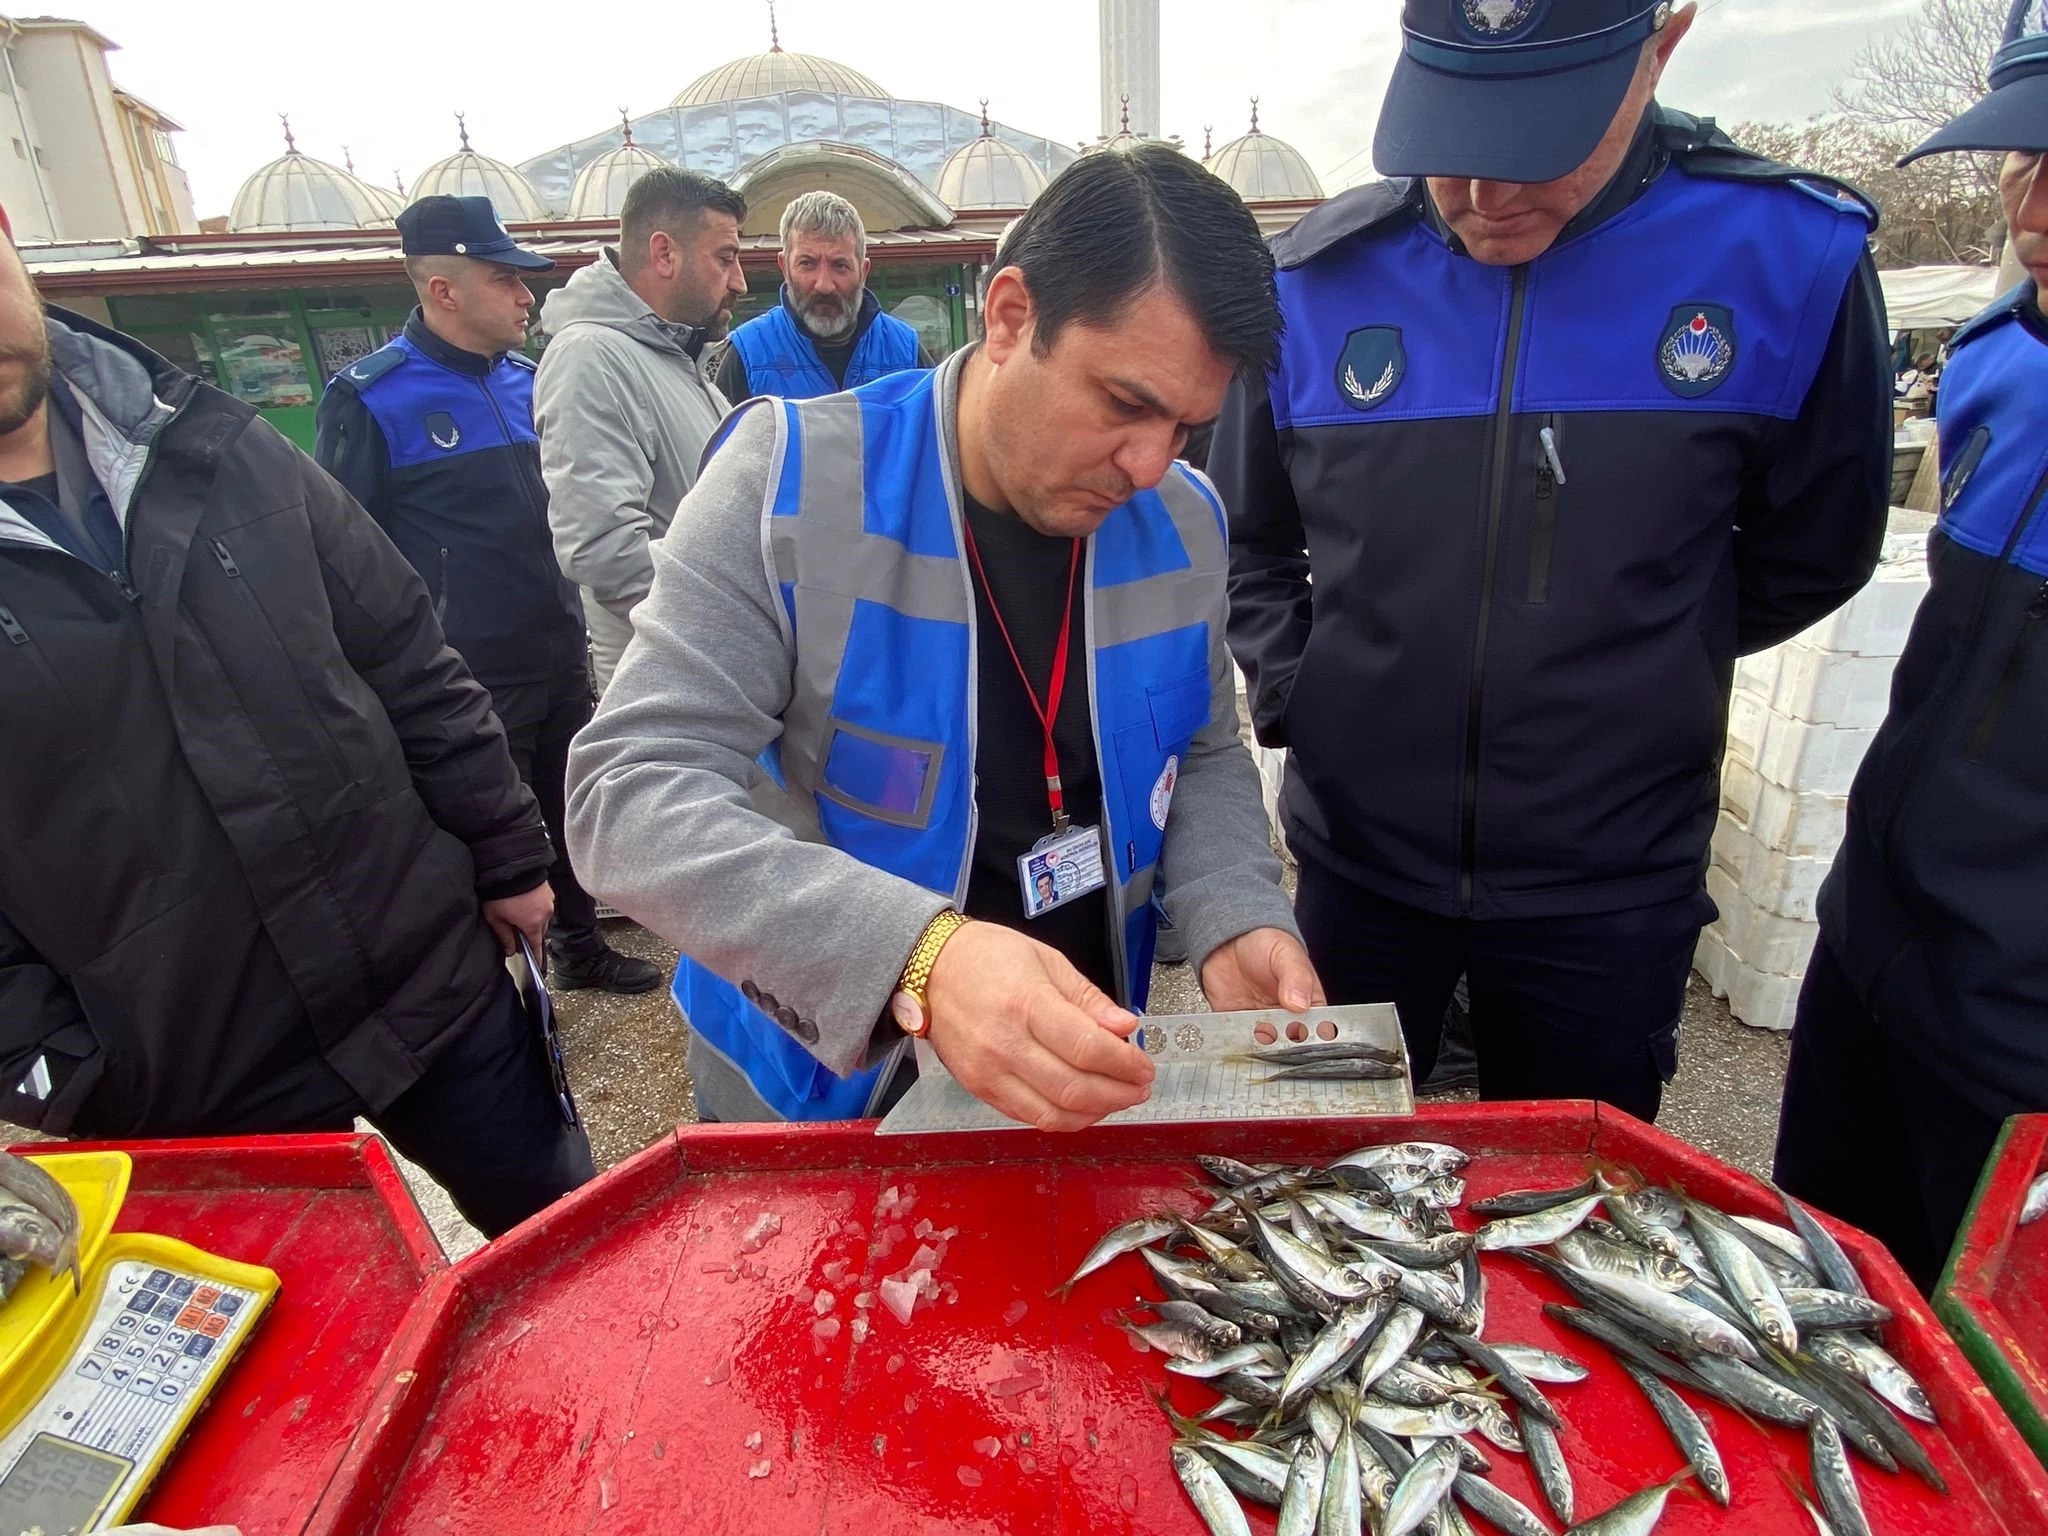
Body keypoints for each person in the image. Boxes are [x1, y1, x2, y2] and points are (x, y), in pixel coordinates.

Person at [1212, 0, 1892, 1123]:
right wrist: (1306, 691)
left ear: (1657, 47)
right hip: (1361, 862)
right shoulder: (1314, 281)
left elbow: (1815, 547)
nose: (1486, 194)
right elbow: (1248, 539)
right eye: (1451, 141)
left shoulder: (1789, 259)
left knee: (1579, 1202)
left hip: (1610, 881)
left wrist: (1636, 668)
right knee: (1323, 1175)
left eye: (1538, 139)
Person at [568, 144, 1321, 1128]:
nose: (1147, 465)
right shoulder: (784, 481)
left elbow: (1204, 749)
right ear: (1010, 317)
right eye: (1126, 404)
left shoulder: (1184, 517)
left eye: (1185, 427)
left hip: (1074, 1058)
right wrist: (918, 955)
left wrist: (1233, 911)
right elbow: (625, 796)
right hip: (821, 1089)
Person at [0, 218, 592, 1236]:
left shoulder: (211, 445)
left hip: (427, 976)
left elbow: (404, 652)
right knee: (315, 1364)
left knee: (575, 1256)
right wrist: (57, 1069)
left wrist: (504, 852)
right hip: (194, 1073)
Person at [1775, 0, 2048, 1291]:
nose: (2031, 197)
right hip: (1868, 968)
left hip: (2016, 1051)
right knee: (1797, 1309)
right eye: (2018, 149)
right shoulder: (1996, 364)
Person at [315, 195, 658, 996]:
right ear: (443, 289)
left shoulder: (529, 384)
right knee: (484, 835)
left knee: (569, 807)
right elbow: (340, 553)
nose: (525, 295)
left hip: (554, 643)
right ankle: (495, 989)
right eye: (504, 278)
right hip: (463, 672)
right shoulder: (371, 398)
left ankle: (579, 947)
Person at [534, 168, 749, 690]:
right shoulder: (591, 357)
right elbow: (603, 550)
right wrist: (743, 624)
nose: (740, 281)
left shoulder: (674, 358)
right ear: (664, 254)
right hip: (670, 689)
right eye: (725, 258)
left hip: (708, 675)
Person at [713, 190, 929, 404]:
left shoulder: (906, 353)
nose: (824, 286)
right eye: (807, 263)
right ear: (785, 268)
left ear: (863, 272)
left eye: (840, 265)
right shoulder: (747, 354)